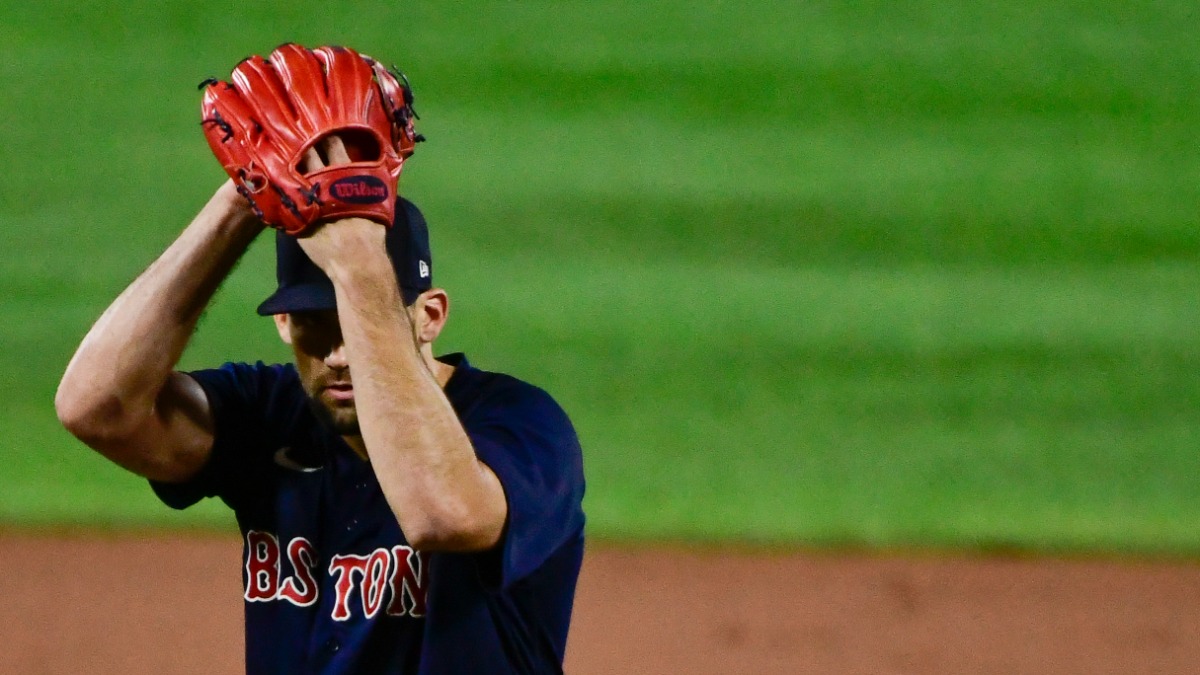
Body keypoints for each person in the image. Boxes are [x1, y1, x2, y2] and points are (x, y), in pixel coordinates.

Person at [54, 136, 587, 674]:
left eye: (357, 322)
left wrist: (360, 271)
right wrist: (241, 200)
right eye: (315, 323)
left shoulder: (523, 423)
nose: (337, 355)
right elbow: (94, 409)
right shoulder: (267, 412)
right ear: (283, 324)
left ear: (430, 315)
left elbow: (441, 514)